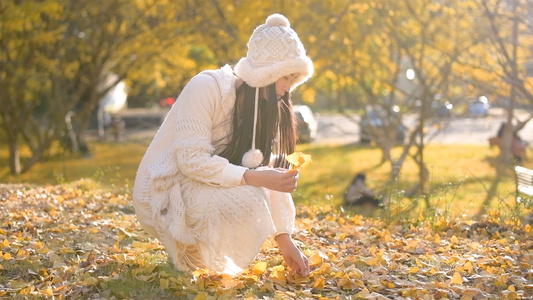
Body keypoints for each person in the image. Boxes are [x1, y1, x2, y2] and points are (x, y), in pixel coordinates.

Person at [132, 14, 314, 276]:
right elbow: (191, 161)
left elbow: (257, 169)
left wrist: (285, 240)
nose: (287, 88)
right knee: (249, 194)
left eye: (293, 79)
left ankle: (197, 252)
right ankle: (188, 251)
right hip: (164, 192)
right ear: (265, 73)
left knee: (261, 178)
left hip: (199, 187)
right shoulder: (207, 86)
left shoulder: (260, 110)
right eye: (285, 77)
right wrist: (254, 176)